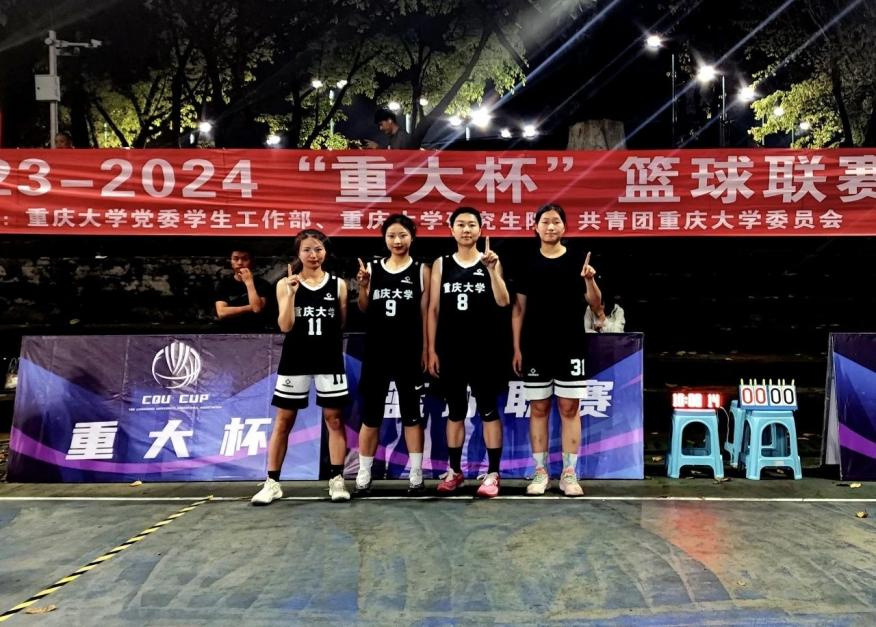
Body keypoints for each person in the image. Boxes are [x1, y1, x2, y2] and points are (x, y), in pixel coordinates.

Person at [251, 229, 351, 505]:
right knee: (284, 420)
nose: (313, 255)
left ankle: (337, 479)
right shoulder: (286, 284)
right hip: (295, 359)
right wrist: (292, 294)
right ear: (298, 253)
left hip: (328, 358)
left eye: (318, 249)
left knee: (334, 419)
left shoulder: (338, 285)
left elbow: (341, 323)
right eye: (307, 249)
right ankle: (272, 483)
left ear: (325, 252)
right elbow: (285, 326)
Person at [511, 203, 602, 497]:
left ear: (564, 226)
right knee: (538, 408)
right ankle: (540, 473)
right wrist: (517, 348)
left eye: (556, 222)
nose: (551, 227)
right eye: (545, 221)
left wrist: (589, 280)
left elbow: (596, 305)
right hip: (535, 346)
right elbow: (518, 309)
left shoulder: (578, 259)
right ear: (535, 227)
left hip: (570, 344)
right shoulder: (526, 262)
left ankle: (568, 474)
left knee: (569, 408)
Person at [428, 207, 510, 498]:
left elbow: (503, 301)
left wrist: (492, 270)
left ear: (480, 229)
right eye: (460, 224)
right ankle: (455, 471)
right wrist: (431, 349)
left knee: (488, 410)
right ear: (451, 230)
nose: (466, 229)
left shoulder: (490, 261)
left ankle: (493, 473)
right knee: (455, 412)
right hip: (451, 349)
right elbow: (433, 309)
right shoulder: (441, 264)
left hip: (484, 349)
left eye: (472, 224)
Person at [354, 214, 430, 495]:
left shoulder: (422, 270)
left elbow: (426, 314)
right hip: (377, 352)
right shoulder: (373, 268)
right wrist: (363, 287)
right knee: (371, 415)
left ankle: (416, 474)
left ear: (412, 237)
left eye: (402, 235)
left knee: (412, 415)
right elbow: (364, 308)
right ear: (384, 239)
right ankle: (364, 473)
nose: (397, 241)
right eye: (391, 236)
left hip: (408, 352)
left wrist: (426, 349)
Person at [214, 249, 273, 332]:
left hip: (256, 331)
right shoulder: (224, 284)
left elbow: (256, 309)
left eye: (245, 259)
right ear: (231, 262)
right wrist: (250, 307)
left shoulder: (262, 284)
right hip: (229, 332)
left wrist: (249, 283)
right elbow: (222, 313)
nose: (240, 263)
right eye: (236, 259)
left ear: (251, 262)